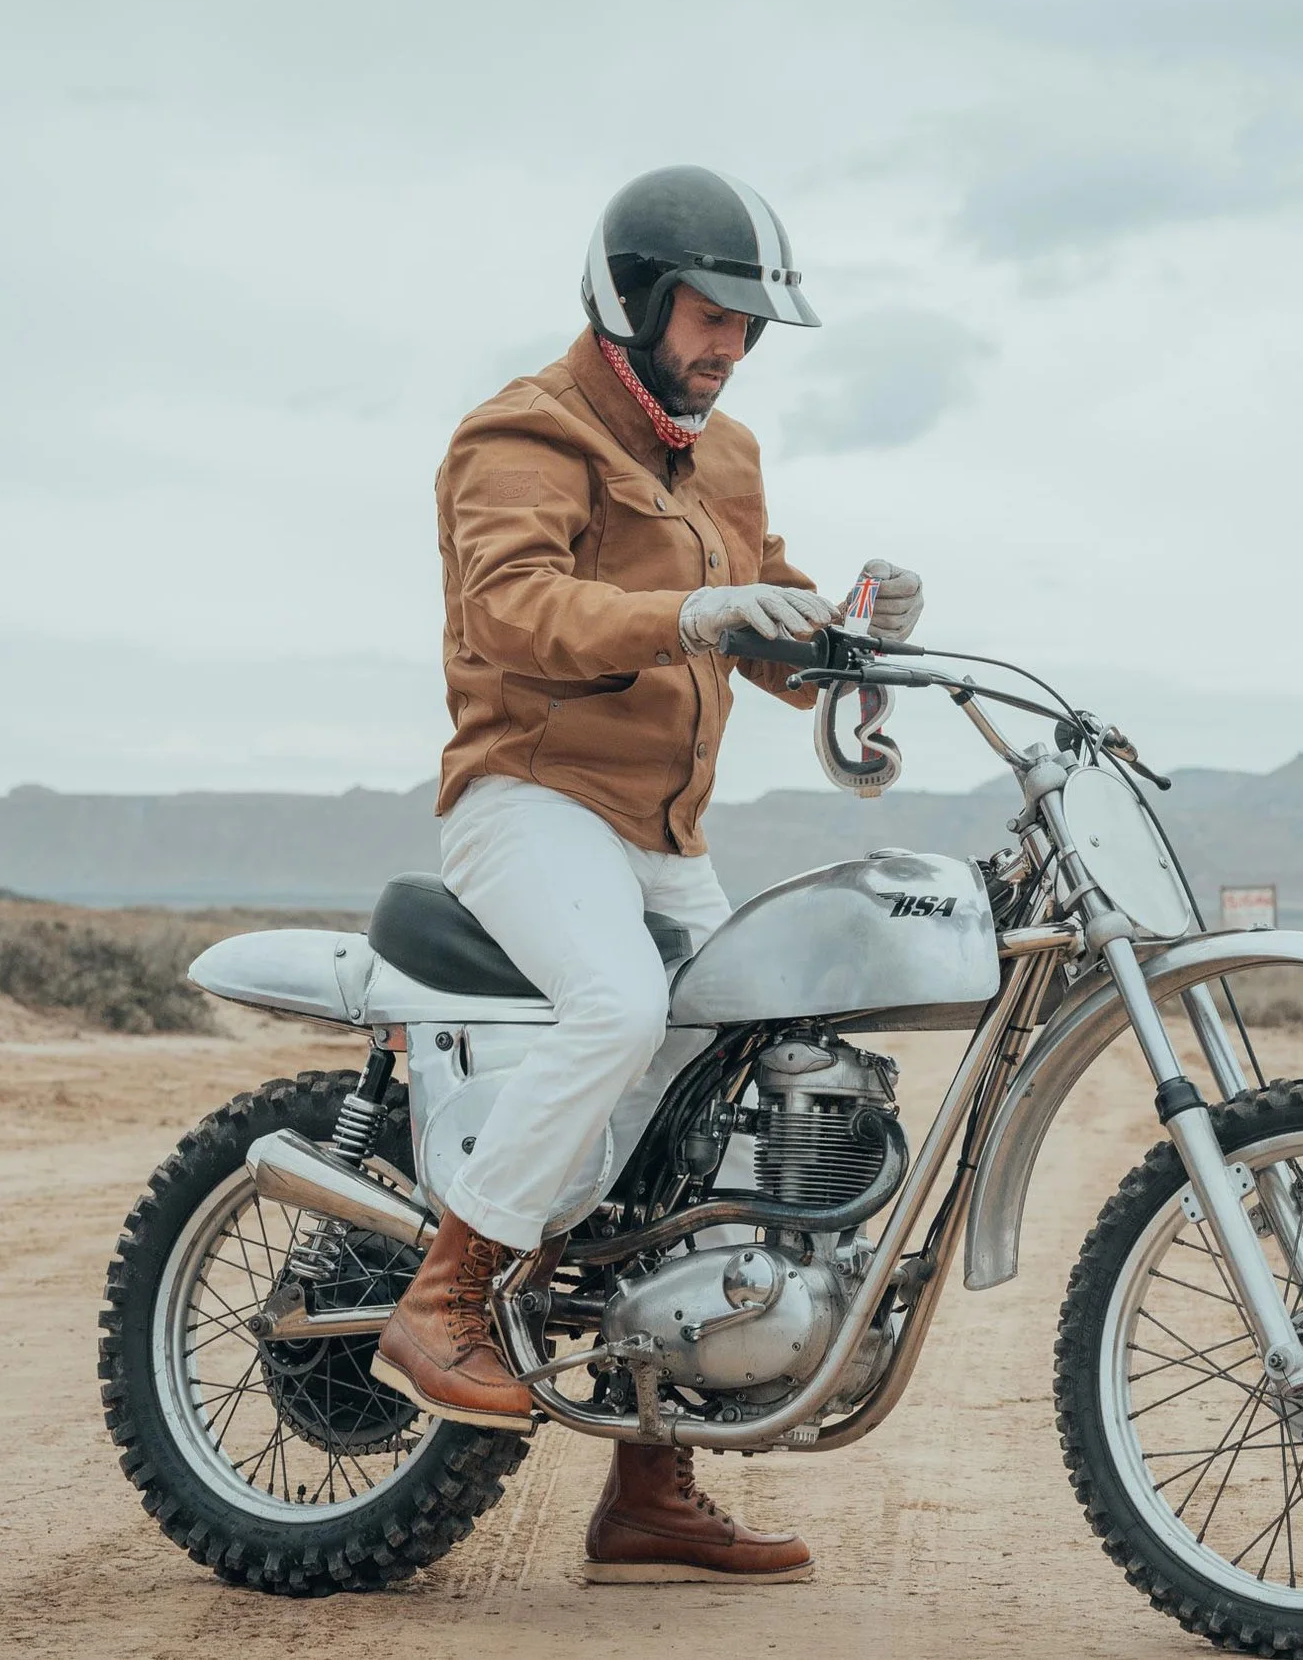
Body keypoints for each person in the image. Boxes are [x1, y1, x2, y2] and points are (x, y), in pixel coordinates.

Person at [369, 165, 925, 1585]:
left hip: (662, 834)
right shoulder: (520, 432)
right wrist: (693, 607)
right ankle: (443, 1294)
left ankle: (648, 1483)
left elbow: (763, 614)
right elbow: (515, 606)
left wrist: (847, 645)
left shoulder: (724, 457)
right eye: (711, 313)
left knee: (733, 1090)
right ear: (632, 298)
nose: (732, 345)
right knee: (617, 1009)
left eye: (751, 325)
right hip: (530, 797)